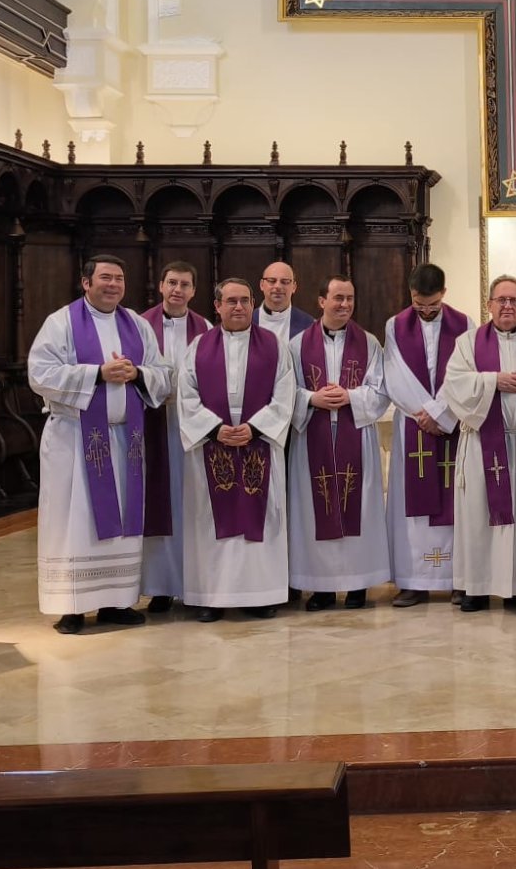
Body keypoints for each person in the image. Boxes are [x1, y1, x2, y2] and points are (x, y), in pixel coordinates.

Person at [28, 255, 172, 634]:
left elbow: (163, 375)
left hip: (126, 442)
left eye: (119, 279)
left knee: (122, 522)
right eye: (105, 277)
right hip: (75, 441)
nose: (113, 284)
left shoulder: (137, 325)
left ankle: (116, 601)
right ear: (85, 282)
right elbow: (40, 373)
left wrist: (137, 372)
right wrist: (98, 373)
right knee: (74, 522)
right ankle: (72, 606)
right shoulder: (61, 323)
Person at [176, 277, 295, 621]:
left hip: (259, 445)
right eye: (231, 301)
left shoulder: (273, 345)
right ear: (217, 306)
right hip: (213, 446)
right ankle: (211, 597)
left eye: (245, 301)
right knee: (210, 522)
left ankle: (260, 595)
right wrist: (216, 430)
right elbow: (187, 395)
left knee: (261, 520)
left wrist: (254, 428)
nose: (239, 307)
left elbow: (284, 394)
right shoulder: (198, 346)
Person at [442, 275, 516, 612]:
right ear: (489, 303)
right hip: (483, 446)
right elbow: (455, 383)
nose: (507, 306)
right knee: (479, 517)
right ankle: (476, 588)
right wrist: (494, 381)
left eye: (514, 301)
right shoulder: (468, 342)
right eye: (501, 300)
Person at [287, 275, 391, 611]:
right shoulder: (297, 345)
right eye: (337, 298)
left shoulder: (370, 343)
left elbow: (379, 390)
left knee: (359, 510)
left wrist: (351, 396)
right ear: (321, 301)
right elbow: (284, 391)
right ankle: (322, 588)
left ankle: (358, 584)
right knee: (314, 512)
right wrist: (311, 399)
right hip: (313, 437)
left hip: (355, 436)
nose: (344, 304)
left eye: (349, 298)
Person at [383, 264, 469, 606]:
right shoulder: (395, 325)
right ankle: (412, 580)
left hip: (451, 427)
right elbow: (395, 373)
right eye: (420, 304)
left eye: (432, 304)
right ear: (411, 294)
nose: (426, 311)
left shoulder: (464, 325)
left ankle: (459, 579)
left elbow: (465, 373)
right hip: (414, 425)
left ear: (444, 294)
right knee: (412, 507)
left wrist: (442, 414)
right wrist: (426, 414)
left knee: (456, 503)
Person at [139, 262, 209, 612]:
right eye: (172, 283)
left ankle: (194, 582)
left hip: (193, 425)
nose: (177, 290)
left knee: (193, 504)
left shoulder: (207, 328)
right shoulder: (139, 326)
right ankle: (162, 585)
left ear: (194, 291)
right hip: (154, 421)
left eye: (185, 284)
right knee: (160, 501)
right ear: (161, 287)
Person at [256, 260, 312, 343]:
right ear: (262, 285)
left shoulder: (309, 326)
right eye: (272, 281)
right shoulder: (247, 322)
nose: (278, 286)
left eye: (285, 282)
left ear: (294, 287)